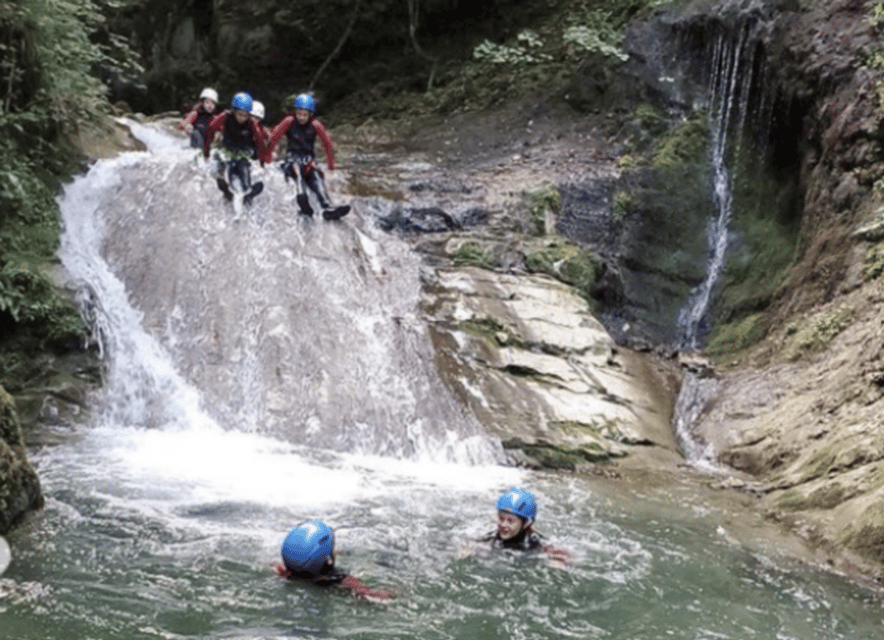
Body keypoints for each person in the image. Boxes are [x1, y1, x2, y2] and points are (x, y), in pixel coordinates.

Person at [267, 93, 349, 220]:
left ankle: (327, 207)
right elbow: (274, 137)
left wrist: (331, 166)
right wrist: (268, 157)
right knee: (298, 172)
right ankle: (304, 204)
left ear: (310, 114)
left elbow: (327, 143)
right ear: (295, 112)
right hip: (292, 158)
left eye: (304, 115)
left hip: (308, 158)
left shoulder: (315, 124)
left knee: (315, 176)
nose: (301, 117)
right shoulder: (289, 121)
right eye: (299, 114)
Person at [273, 519, 396, 601]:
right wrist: (396, 590)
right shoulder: (342, 581)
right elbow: (375, 597)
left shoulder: (283, 571)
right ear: (328, 559)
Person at [204, 91, 271, 205]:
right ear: (233, 111)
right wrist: (206, 151)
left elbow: (260, 142)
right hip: (227, 149)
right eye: (239, 114)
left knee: (243, 168)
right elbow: (211, 129)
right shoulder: (226, 116)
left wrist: (262, 161)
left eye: (245, 115)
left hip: (243, 152)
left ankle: (248, 193)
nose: (242, 118)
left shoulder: (252, 123)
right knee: (224, 165)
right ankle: (225, 189)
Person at [480, 488, 570, 565]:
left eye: (510, 521)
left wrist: (562, 559)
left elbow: (563, 553)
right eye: (501, 518)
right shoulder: (490, 538)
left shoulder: (535, 542)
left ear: (526, 523)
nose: (503, 525)